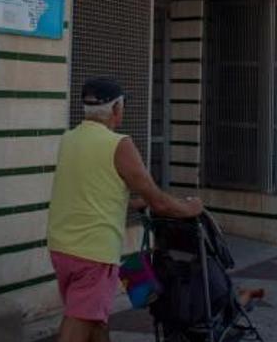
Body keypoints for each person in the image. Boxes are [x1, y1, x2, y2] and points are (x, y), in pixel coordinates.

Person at [48, 77, 204, 342]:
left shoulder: (69, 139)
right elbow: (159, 201)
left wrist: (130, 203)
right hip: (93, 253)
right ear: (116, 108)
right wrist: (191, 208)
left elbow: (89, 193)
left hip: (61, 247)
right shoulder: (119, 144)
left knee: (95, 318)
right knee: (80, 319)